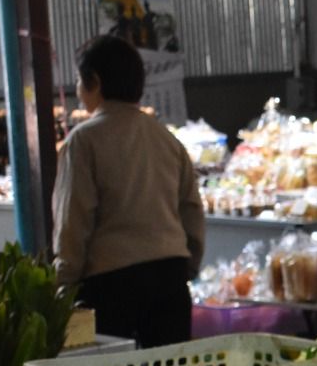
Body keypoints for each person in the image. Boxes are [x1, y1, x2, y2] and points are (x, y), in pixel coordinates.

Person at [52, 34, 204, 348]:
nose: (79, 93)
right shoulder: (167, 139)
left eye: (80, 82)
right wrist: (186, 266)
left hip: (111, 288)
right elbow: (192, 209)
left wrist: (63, 284)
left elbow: (73, 221)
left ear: (94, 81)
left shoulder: (83, 141)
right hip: (171, 283)